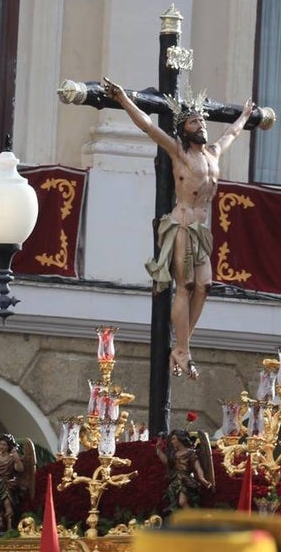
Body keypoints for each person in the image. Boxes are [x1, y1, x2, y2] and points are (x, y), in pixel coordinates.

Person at [102, 77, 253, 380]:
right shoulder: (178, 152)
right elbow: (147, 126)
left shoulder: (212, 153)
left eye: (201, 120)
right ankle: (182, 349)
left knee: (205, 285)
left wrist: (246, 116)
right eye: (194, 121)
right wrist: (123, 99)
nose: (201, 125)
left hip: (202, 229)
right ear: (183, 128)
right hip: (183, 223)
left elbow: (233, 133)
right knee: (183, 286)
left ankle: (182, 345)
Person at [156, 429, 213, 513]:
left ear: (180, 439)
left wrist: (202, 478)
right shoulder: (175, 454)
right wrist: (159, 451)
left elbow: (198, 467)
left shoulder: (190, 453)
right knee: (174, 503)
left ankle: (194, 519)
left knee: (182, 502)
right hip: (175, 480)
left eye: (174, 439)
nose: (172, 442)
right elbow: (167, 462)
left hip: (185, 480)